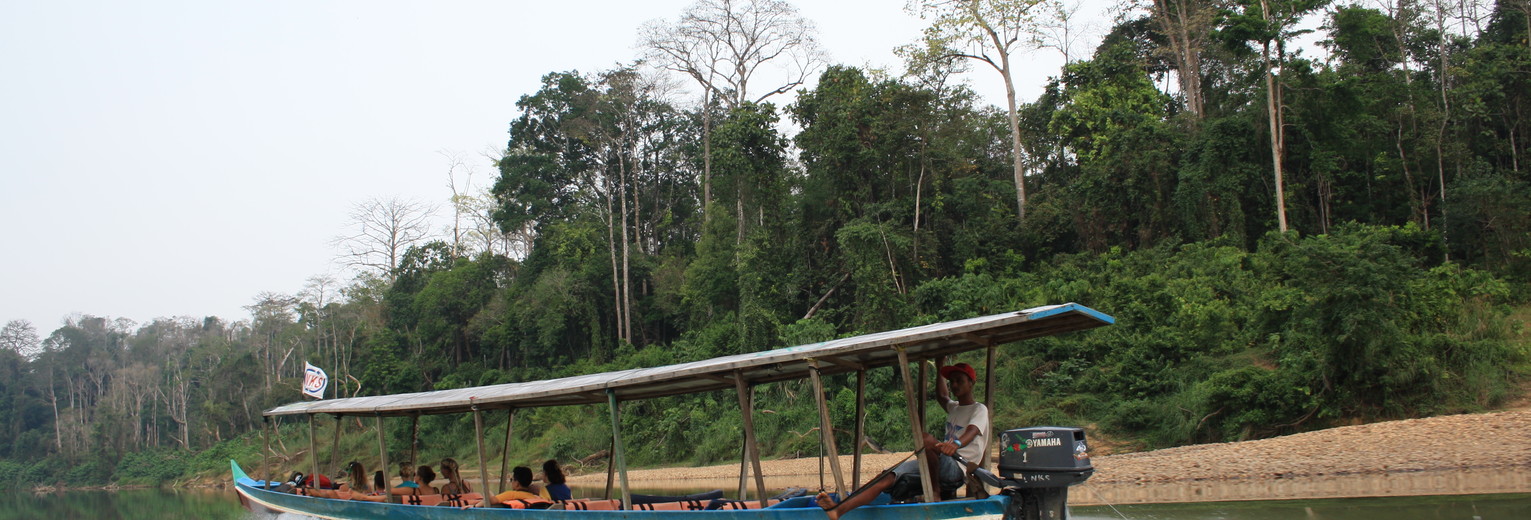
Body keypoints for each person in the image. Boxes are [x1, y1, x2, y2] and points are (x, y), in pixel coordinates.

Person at [816, 360, 989, 520]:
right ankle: (838, 510)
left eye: (960, 380)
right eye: (952, 381)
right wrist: (939, 363)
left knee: (926, 439)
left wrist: (956, 444)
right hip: (940, 464)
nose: (955, 385)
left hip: (958, 468)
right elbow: (942, 395)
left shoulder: (979, 409)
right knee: (886, 476)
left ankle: (935, 492)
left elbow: (973, 431)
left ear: (971, 383)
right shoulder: (954, 408)